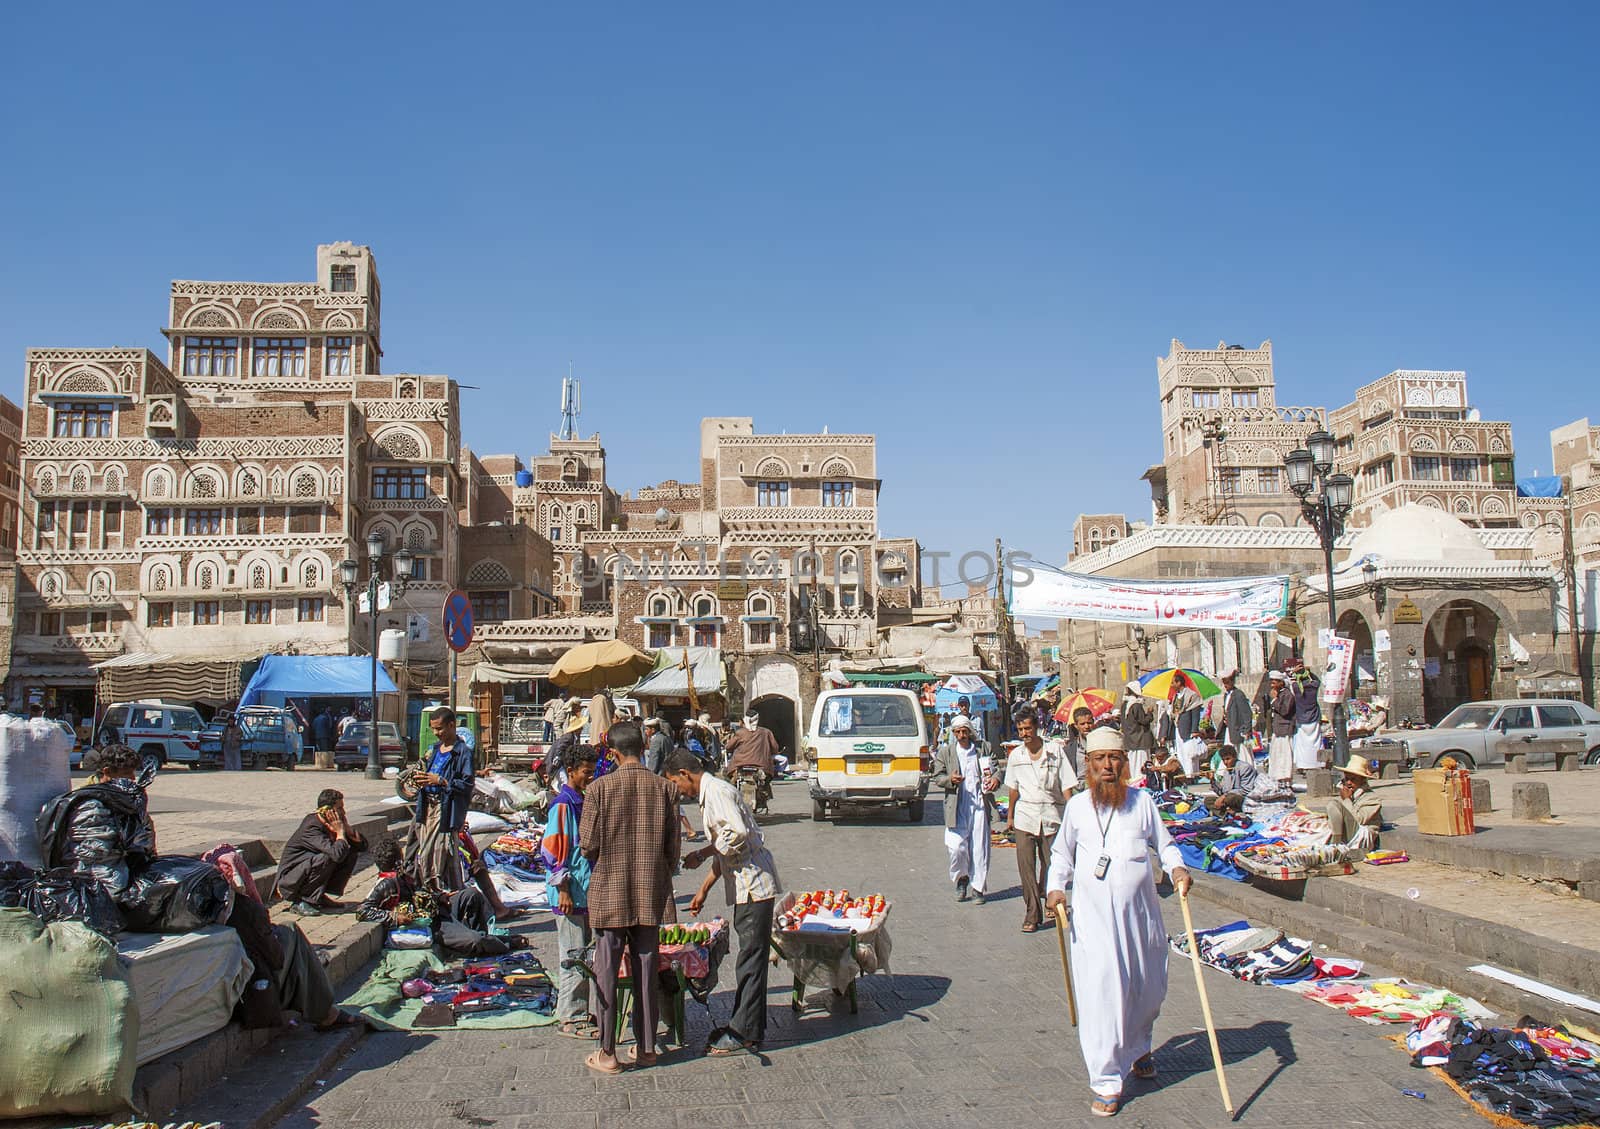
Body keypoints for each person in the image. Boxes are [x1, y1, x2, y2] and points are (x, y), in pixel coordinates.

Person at [1045, 727, 1191, 1118]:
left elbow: (1166, 845)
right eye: (1099, 760)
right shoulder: (1077, 808)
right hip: (1093, 923)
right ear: (1088, 766)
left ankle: (1139, 1044)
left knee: (1147, 990)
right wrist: (1055, 888)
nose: (1107, 766)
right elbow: (1061, 855)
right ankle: (1107, 1079)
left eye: (1114, 759)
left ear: (1124, 764)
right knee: (1102, 993)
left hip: (1140, 918)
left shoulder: (1142, 803)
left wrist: (1177, 869)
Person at [578, 721, 680, 1075]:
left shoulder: (598, 789)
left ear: (613, 752)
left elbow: (587, 844)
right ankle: (648, 1047)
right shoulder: (666, 789)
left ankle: (607, 1052)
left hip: (610, 890)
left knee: (606, 970)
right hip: (651, 891)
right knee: (647, 969)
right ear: (644, 746)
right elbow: (673, 851)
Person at [667, 749, 780, 1057]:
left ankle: (745, 1032)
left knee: (751, 960)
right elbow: (725, 844)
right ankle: (745, 1025)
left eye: (675, 783)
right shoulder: (713, 792)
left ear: (684, 775)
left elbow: (737, 834)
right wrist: (704, 884)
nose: (677, 790)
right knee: (750, 957)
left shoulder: (716, 791)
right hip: (745, 884)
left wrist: (706, 852)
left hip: (753, 884)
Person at [36, 743, 156, 901]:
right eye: (127, 773)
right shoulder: (89, 802)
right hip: (92, 873)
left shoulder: (124, 796)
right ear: (107, 772)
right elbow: (96, 849)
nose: (133, 778)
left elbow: (144, 831)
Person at [542, 742, 600, 1040]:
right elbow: (554, 851)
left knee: (582, 953)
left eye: (593, 772)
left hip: (583, 890)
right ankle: (571, 1017)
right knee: (573, 954)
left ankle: (577, 1009)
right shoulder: (563, 804)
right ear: (571, 772)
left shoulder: (580, 799)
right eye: (585, 773)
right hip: (569, 892)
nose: (590, 777)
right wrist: (563, 888)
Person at [1004, 710, 1075, 932]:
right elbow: (1013, 789)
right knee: (1026, 867)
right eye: (1021, 730)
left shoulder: (1055, 752)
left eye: (1028, 728)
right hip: (1026, 816)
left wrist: (1073, 815)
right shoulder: (1016, 756)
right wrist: (1010, 815)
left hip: (1052, 814)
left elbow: (1066, 786)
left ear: (1036, 728)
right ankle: (1032, 913)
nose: (1025, 733)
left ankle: (1048, 895)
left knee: (1051, 864)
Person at [410, 707, 475, 890]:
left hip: (445, 809)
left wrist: (442, 781)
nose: (435, 733)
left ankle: (444, 893)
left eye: (439, 729)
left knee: (440, 852)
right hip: (426, 807)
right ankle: (430, 890)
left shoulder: (463, 753)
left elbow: (467, 785)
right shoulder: (435, 749)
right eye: (433, 729)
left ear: (451, 725)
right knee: (424, 853)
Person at [932, 715, 993, 904]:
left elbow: (996, 769)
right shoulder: (947, 752)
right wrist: (950, 779)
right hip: (957, 804)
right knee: (956, 847)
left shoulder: (983, 749)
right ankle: (962, 878)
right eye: (957, 732)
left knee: (979, 848)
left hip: (979, 805)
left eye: (964, 731)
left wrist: (995, 779)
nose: (961, 735)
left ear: (970, 731)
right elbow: (937, 776)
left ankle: (978, 888)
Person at [276, 788, 365, 915]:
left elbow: (362, 847)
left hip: (305, 870)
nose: (344, 812)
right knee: (328, 856)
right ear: (328, 811)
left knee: (349, 852)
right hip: (290, 881)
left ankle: (318, 896)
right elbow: (336, 855)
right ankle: (302, 901)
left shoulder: (331, 824)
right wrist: (340, 833)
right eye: (340, 809)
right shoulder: (312, 827)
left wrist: (348, 831)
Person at [356, 834, 425, 927]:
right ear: (399, 860)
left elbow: (419, 893)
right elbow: (362, 911)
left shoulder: (403, 878)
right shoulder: (387, 883)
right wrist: (393, 917)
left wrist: (439, 897)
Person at [724, 713, 779, 815]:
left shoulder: (740, 733)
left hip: (739, 765)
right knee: (765, 782)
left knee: (728, 781)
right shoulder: (766, 732)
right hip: (762, 766)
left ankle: (730, 803)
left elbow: (728, 747)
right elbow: (775, 748)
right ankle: (762, 798)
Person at [1327, 757, 1383, 846]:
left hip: (1362, 833)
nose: (1349, 783)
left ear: (1362, 780)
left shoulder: (1372, 798)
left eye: (1353, 779)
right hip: (1347, 830)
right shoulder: (1349, 794)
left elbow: (1359, 820)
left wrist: (1346, 799)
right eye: (1347, 779)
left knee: (1333, 805)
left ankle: (1336, 845)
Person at [1290, 663, 1325, 774]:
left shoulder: (1296, 688)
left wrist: (1293, 672)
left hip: (1301, 719)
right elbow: (1318, 680)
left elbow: (1288, 681)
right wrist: (1309, 671)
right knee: (1316, 742)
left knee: (1302, 744)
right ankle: (1318, 763)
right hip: (1314, 718)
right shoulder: (1313, 686)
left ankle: (1303, 765)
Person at [1207, 744, 1259, 814]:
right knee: (1208, 800)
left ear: (1235, 757)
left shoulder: (1245, 768)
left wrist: (1224, 796)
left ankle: (1229, 812)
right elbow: (1222, 792)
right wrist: (1212, 780)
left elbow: (1247, 790)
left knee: (1230, 798)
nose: (1225, 762)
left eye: (1228, 759)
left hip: (1245, 799)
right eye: (1223, 760)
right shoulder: (1226, 771)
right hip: (1228, 799)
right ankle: (1227, 814)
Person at [1120, 683, 1155, 781]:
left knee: (1133, 763)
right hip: (1140, 739)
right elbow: (1143, 721)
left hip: (1130, 739)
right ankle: (1141, 782)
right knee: (1141, 763)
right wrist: (1149, 713)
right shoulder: (1136, 705)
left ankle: (1135, 781)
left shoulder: (1124, 705)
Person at [1266, 671, 1296, 784]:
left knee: (1285, 757)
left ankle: (1286, 780)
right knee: (1277, 757)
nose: (1272, 686)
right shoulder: (1280, 695)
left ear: (1281, 683)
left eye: (1274, 683)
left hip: (1285, 731)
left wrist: (1274, 700)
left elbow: (1285, 710)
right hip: (1278, 730)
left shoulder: (1287, 694)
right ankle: (1278, 780)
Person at [1219, 671, 1253, 751]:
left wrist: (1247, 731)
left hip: (1238, 730)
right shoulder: (1226, 695)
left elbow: (1246, 713)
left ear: (1232, 682)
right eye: (1224, 683)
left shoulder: (1238, 695)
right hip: (1230, 730)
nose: (1225, 685)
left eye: (1227, 682)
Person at [1064, 706, 1095, 778]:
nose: (1087, 726)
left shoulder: (1102, 745)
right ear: (1076, 726)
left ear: (1093, 723)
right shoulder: (1069, 750)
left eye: (1089, 723)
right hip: (1078, 787)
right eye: (1082, 724)